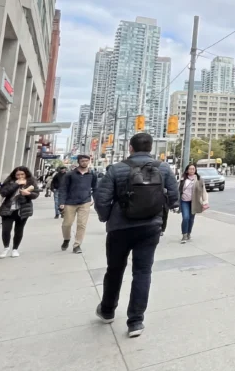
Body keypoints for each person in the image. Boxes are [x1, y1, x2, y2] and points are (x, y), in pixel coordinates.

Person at [94, 133, 178, 338]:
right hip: (150, 227)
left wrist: (106, 218)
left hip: (120, 228)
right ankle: (136, 321)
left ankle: (107, 310)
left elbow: (101, 198)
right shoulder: (163, 168)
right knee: (142, 272)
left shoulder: (116, 168)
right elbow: (174, 197)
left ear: (130, 148)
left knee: (114, 270)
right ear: (151, 149)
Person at [0, 166, 40, 258]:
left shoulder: (30, 182)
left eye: (22, 174)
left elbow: (36, 194)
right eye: (17, 174)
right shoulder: (10, 181)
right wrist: (16, 184)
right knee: (6, 230)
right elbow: (3, 192)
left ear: (26, 174)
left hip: (23, 209)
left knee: (19, 230)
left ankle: (15, 249)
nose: (20, 176)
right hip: (8, 209)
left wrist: (28, 193)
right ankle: (6, 248)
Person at [60, 155, 97, 254]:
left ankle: (77, 245)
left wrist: (94, 199)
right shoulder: (70, 174)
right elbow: (63, 189)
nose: (84, 162)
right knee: (66, 224)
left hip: (85, 202)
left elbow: (95, 188)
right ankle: (66, 239)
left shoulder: (92, 174)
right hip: (70, 202)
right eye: (82, 161)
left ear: (89, 161)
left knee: (82, 225)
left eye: (86, 161)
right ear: (78, 162)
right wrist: (61, 202)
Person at [178, 163, 208, 243]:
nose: (192, 170)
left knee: (191, 219)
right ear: (187, 170)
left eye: (193, 169)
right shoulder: (183, 179)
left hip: (194, 202)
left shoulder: (199, 179)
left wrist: (205, 201)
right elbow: (179, 190)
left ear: (195, 170)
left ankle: (188, 233)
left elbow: (203, 191)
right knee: (185, 218)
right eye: (190, 169)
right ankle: (184, 235)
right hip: (184, 201)